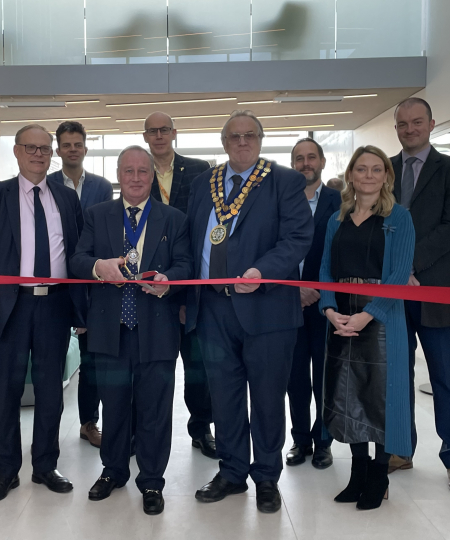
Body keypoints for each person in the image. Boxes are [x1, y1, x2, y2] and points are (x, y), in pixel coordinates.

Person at [184, 111, 313, 513]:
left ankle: (267, 477)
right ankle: (232, 471)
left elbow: (297, 239)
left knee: (268, 398)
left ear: (261, 139)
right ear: (224, 142)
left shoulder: (284, 181)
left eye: (250, 135)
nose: (243, 142)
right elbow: (191, 241)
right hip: (213, 310)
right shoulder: (202, 183)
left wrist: (263, 271)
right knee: (224, 396)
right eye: (235, 136)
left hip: (267, 311)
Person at [0, 124, 86, 502]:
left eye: (45, 149)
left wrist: (82, 313)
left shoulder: (66, 199)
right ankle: (5, 471)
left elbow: (79, 256)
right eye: (31, 148)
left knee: (51, 392)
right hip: (8, 307)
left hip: (54, 306)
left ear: (52, 155)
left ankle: (46, 465)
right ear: (16, 152)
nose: (39, 155)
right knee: (5, 392)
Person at [72, 145, 193, 515]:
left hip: (156, 330)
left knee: (155, 409)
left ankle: (152, 481)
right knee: (115, 406)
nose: (136, 178)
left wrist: (170, 280)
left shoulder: (174, 219)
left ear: (152, 176)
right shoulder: (97, 215)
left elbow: (188, 264)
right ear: (118, 176)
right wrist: (98, 267)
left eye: (143, 171)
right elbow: (76, 260)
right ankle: (113, 471)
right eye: (129, 171)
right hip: (110, 330)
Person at [319, 145, 415, 511]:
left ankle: (378, 474)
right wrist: (330, 309)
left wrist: (368, 314)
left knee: (380, 397)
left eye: (378, 169)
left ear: (387, 177)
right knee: (347, 395)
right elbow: (326, 269)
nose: (370, 175)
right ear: (351, 176)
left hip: (382, 317)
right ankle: (358, 471)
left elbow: (397, 276)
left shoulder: (399, 218)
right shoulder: (337, 219)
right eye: (362, 169)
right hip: (341, 315)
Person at [389, 97, 450, 496]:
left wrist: (409, 267)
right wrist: (395, 273)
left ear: (431, 124)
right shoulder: (383, 169)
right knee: (397, 376)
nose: (410, 130)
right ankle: (402, 451)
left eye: (416, 122)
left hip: (435, 289)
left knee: (445, 377)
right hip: (392, 293)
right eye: (403, 124)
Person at [143, 111, 216, 458]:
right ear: (145, 136)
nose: (159, 136)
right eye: (152, 131)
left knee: (197, 365)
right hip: (148, 288)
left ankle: (201, 426)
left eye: (164, 130)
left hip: (191, 284)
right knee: (149, 366)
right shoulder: (139, 171)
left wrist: (190, 291)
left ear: (175, 133)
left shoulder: (200, 170)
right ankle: (140, 430)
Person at [48, 120, 114, 449]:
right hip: (56, 284)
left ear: (85, 148)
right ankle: (47, 432)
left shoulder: (102, 186)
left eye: (78, 144)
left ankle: (89, 422)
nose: (72, 149)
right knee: (51, 360)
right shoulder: (44, 184)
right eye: (66, 144)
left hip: (92, 281)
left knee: (92, 360)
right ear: (58, 150)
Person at [285, 138, 341, 470]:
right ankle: (300, 440)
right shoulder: (281, 200)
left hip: (325, 304)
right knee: (294, 378)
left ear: (321, 161)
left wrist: (317, 288)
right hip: (289, 303)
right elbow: (275, 247)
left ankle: (323, 442)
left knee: (324, 375)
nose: (305, 163)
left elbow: (341, 251)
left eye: (311, 157)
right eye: (299, 159)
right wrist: (295, 289)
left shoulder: (339, 201)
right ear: (293, 164)